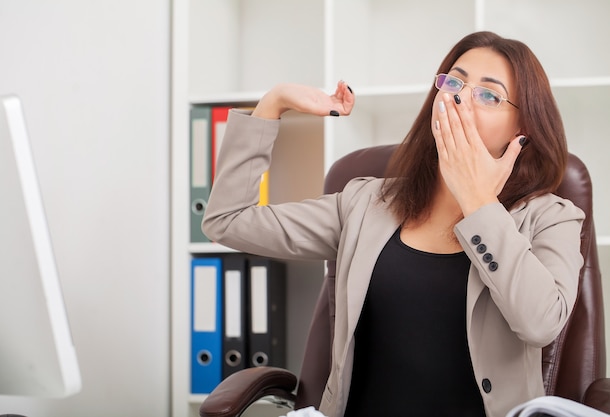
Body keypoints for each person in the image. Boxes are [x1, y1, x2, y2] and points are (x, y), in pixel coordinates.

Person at [202, 31, 585, 417]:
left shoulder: (551, 217)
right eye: (454, 81)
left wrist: (478, 202)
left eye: (489, 95)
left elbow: (541, 324)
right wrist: (274, 102)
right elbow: (227, 221)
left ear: (523, 130)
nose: (458, 98)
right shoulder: (367, 204)